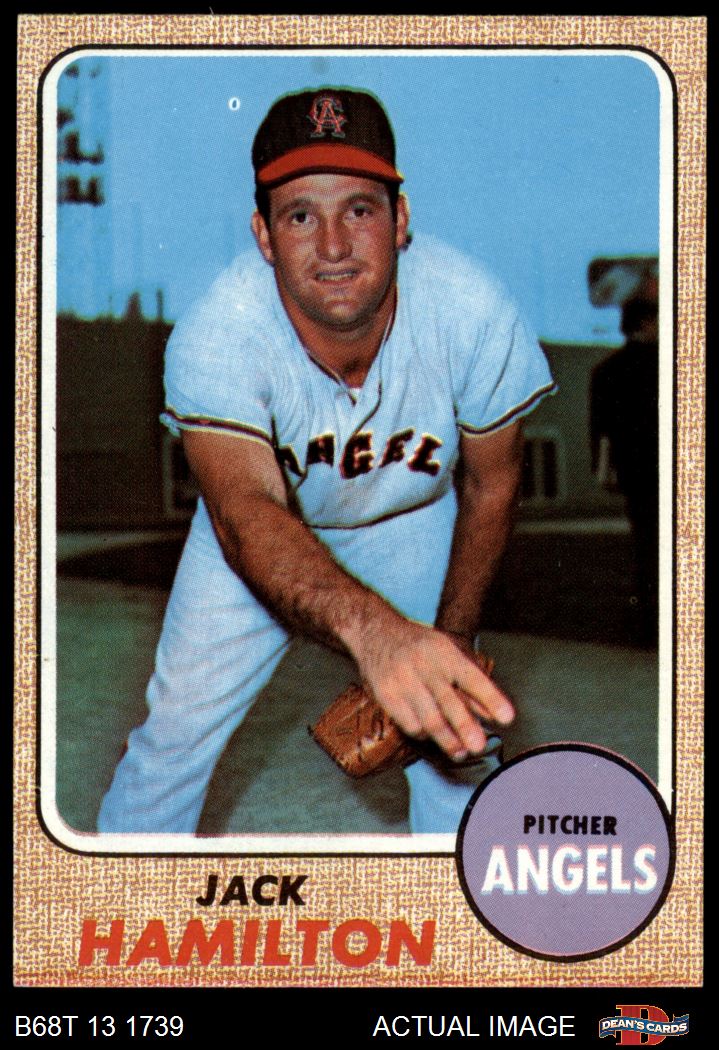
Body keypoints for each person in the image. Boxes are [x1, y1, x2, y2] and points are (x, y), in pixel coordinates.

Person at [98, 87, 555, 835]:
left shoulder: (470, 308)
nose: (334, 246)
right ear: (264, 235)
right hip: (265, 529)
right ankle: (112, 895)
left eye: (360, 209)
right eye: (301, 216)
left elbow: (491, 484)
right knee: (173, 737)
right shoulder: (219, 330)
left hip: (410, 518)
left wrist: (450, 636)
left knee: (456, 735)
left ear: (400, 220)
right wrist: (375, 633)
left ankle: (468, 895)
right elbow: (243, 513)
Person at [590, 285, 659, 648]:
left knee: (646, 544)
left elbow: (600, 431)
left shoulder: (606, 371)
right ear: (647, 322)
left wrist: (605, 471)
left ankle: (650, 616)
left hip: (635, 474)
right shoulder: (668, 366)